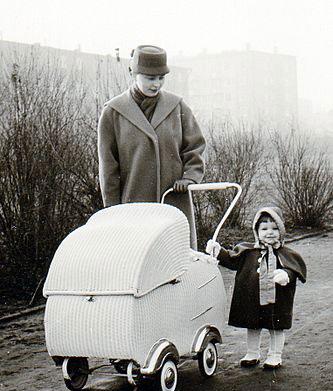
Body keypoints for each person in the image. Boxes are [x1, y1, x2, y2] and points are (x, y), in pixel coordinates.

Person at [98, 45, 205, 249]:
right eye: (150, 78)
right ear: (133, 73)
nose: (156, 84)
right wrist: (112, 213)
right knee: (139, 264)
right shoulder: (113, 113)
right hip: (134, 210)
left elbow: (195, 147)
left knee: (176, 264)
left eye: (161, 78)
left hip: (173, 203)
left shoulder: (177, 107)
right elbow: (108, 169)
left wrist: (189, 177)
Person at [206, 206, 307, 369]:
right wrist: (218, 252)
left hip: (277, 299)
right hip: (253, 299)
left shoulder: (286, 253)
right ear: (257, 231)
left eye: (275, 228)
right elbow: (231, 259)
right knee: (253, 326)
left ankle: (275, 355)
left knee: (276, 327)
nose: (270, 232)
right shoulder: (248, 251)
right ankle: (252, 353)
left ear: (281, 230)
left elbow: (294, 269)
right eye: (264, 228)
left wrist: (286, 275)